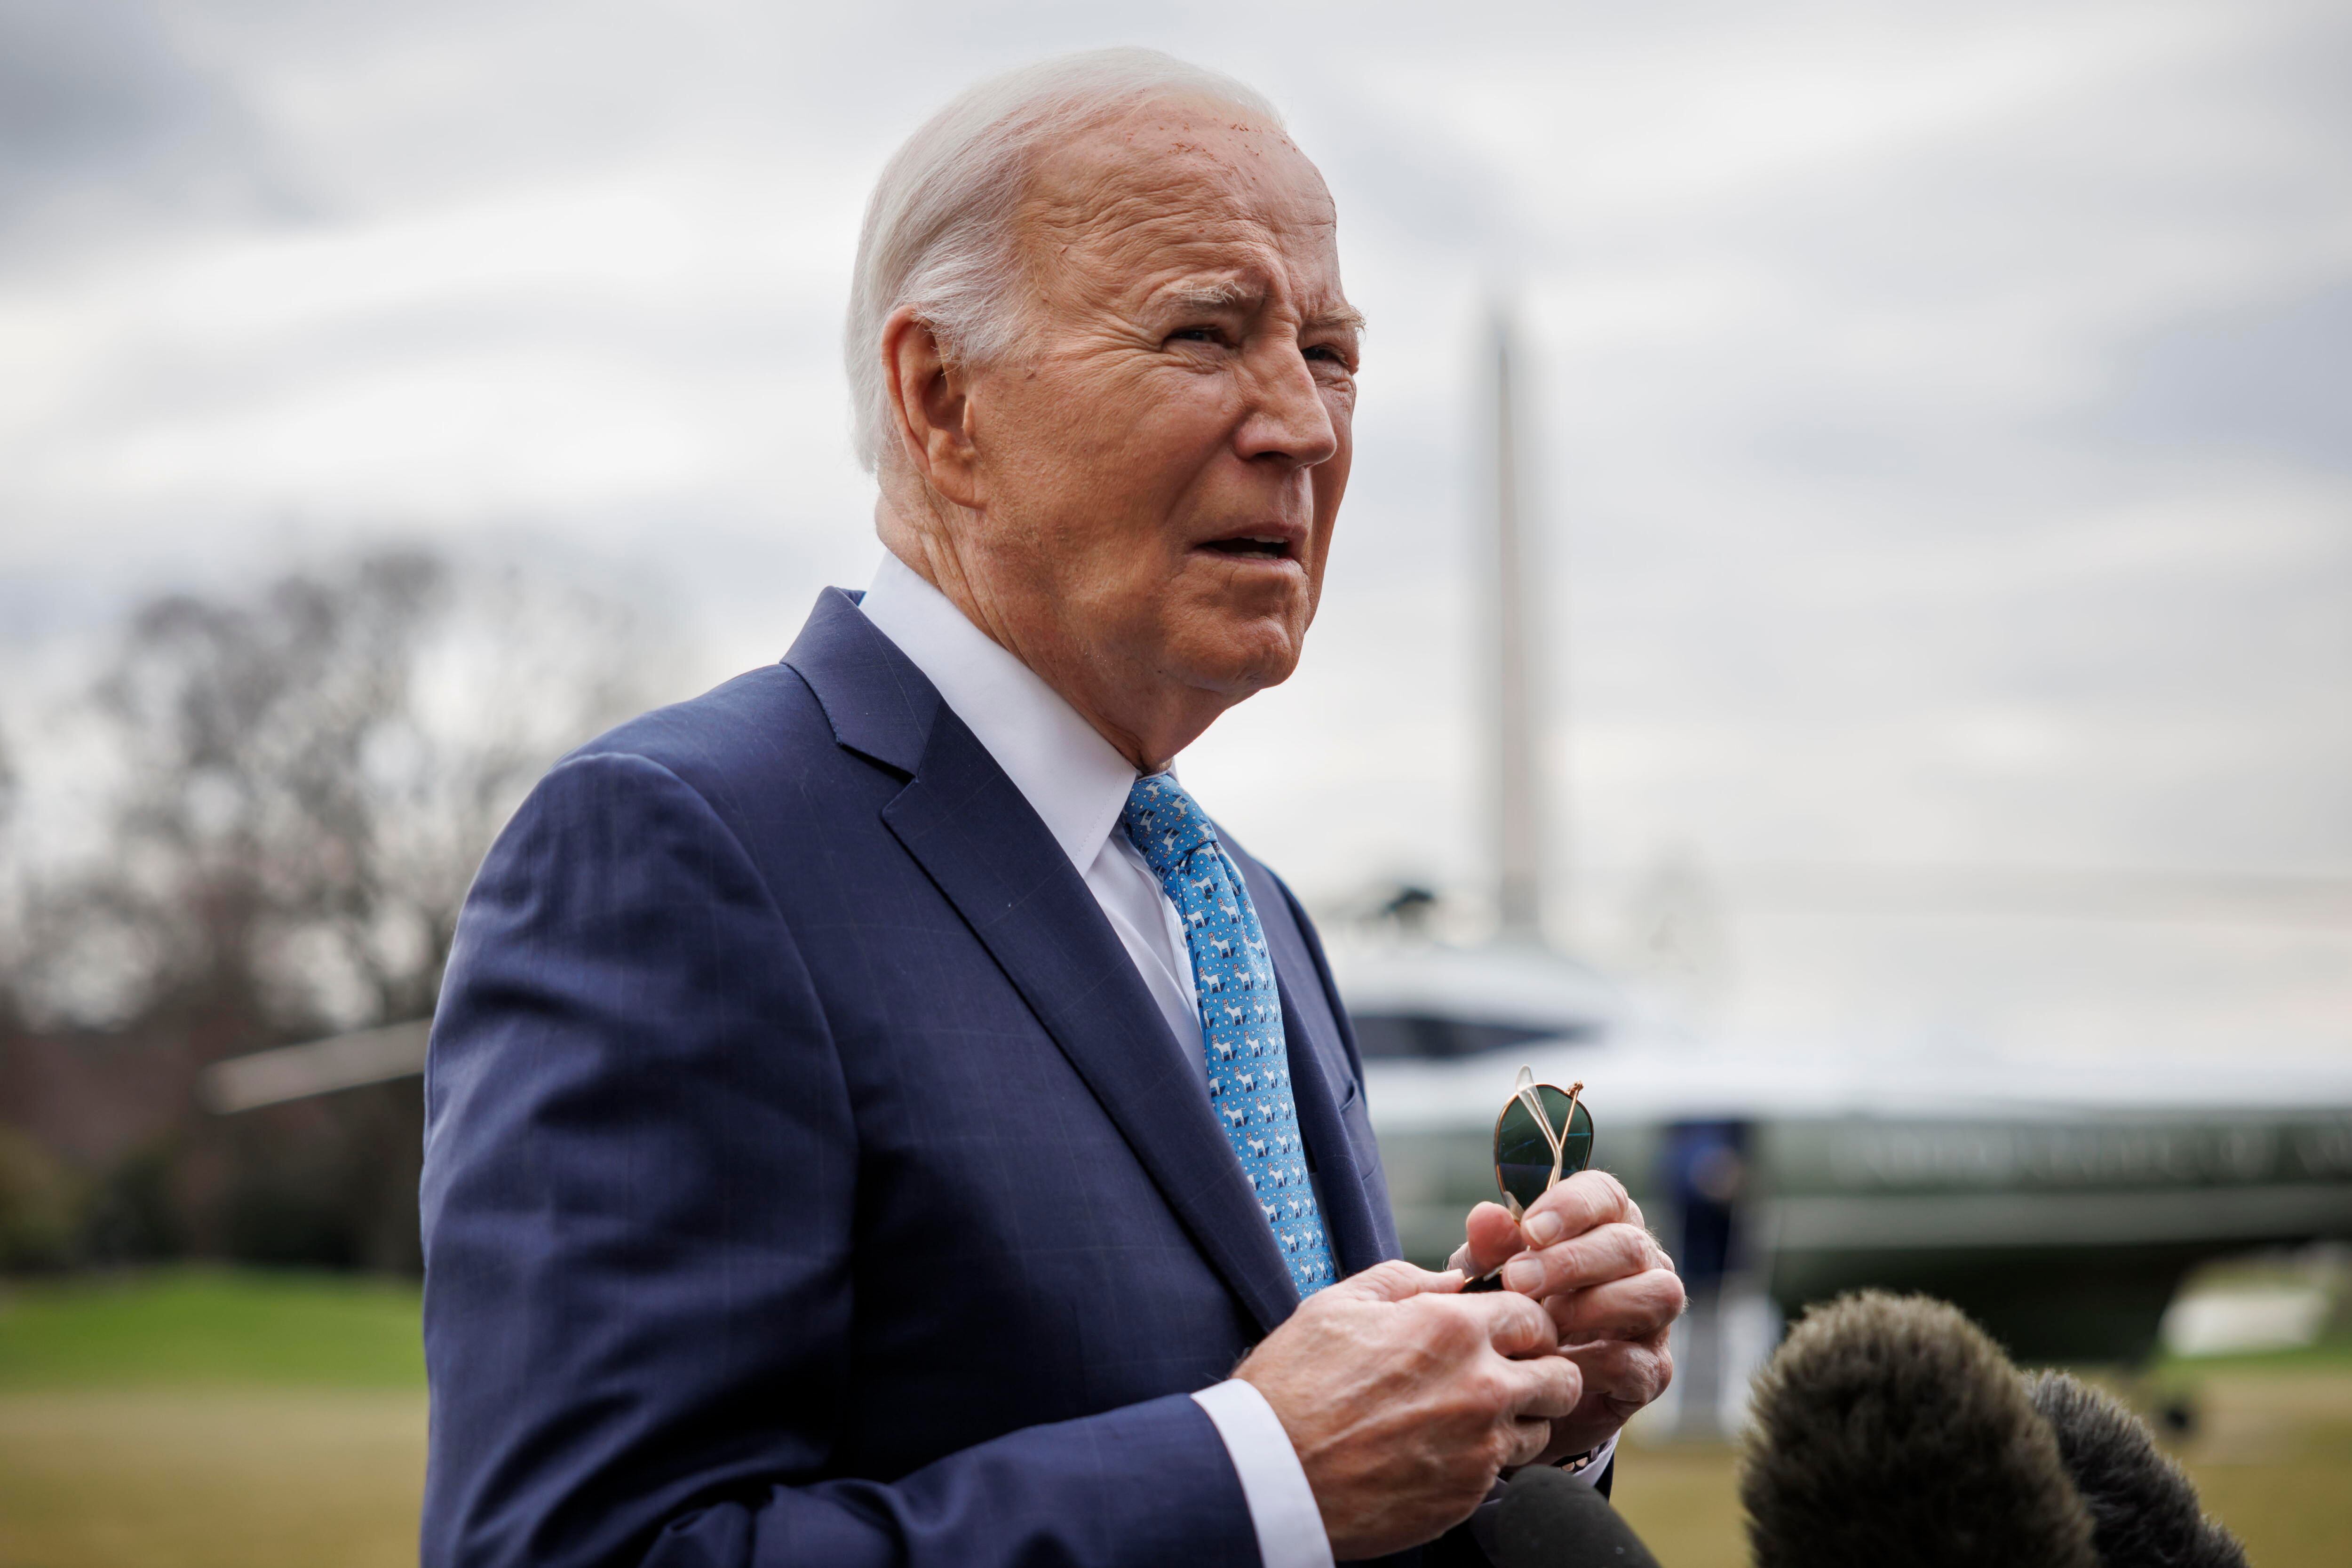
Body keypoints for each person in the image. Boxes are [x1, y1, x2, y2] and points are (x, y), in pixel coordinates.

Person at [419, 48, 1682, 1568]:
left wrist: (1510, 1408)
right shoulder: (674, 852)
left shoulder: (1250, 909)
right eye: (1204, 335)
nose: (1306, 426)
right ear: (940, 399)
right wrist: (1255, 1474)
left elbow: (1328, 1484)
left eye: (1332, 352)